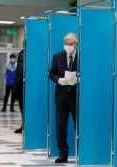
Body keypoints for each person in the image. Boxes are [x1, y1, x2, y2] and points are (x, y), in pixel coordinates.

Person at [49, 32, 78, 163]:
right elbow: (51, 73)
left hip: (77, 97)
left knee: (79, 126)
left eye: (70, 44)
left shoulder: (82, 57)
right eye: (66, 43)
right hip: (61, 96)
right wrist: (58, 80)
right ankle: (63, 153)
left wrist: (79, 79)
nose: (68, 46)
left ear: (76, 44)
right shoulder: (57, 56)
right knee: (61, 127)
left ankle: (81, 152)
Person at [12, 49, 24, 133]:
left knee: (23, 107)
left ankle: (24, 126)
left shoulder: (23, 54)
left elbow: (19, 72)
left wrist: (15, 86)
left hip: (22, 86)